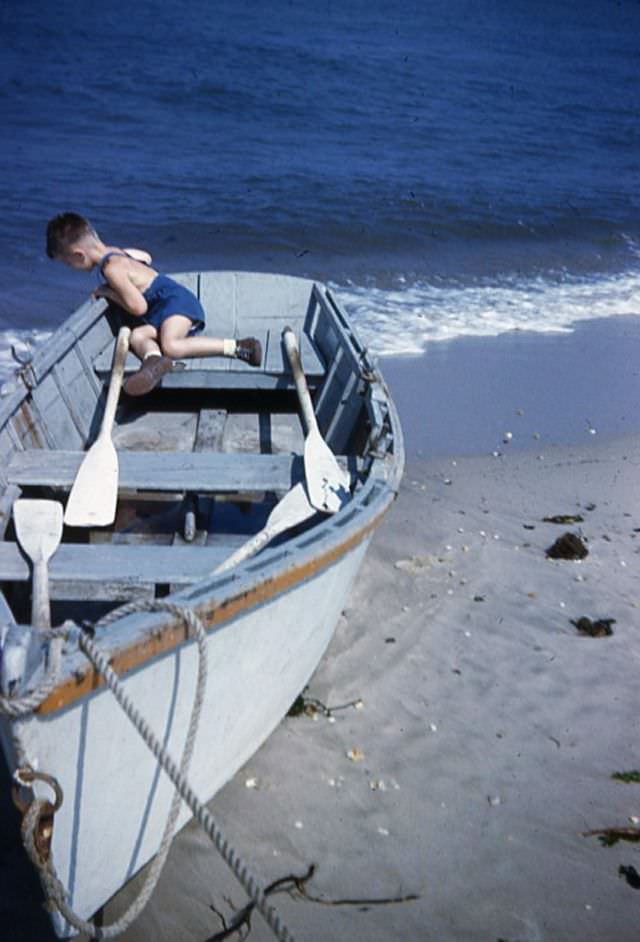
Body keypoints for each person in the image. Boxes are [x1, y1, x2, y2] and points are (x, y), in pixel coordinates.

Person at [46, 212, 262, 395]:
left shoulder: (111, 269)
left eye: (67, 263)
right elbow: (146, 257)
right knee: (137, 336)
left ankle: (239, 346)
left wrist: (108, 292)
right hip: (163, 309)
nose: (70, 267)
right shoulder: (116, 252)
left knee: (171, 345)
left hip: (176, 303)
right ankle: (153, 360)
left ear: (78, 255)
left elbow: (139, 307)